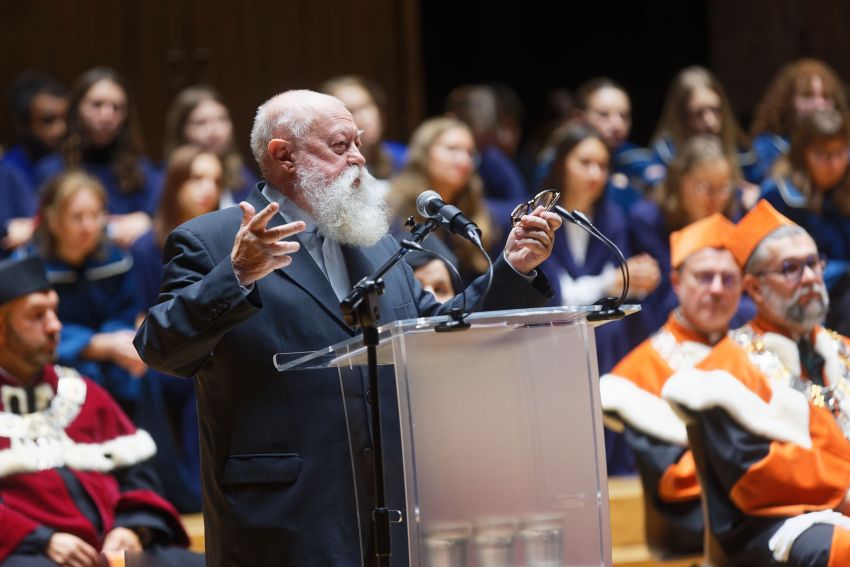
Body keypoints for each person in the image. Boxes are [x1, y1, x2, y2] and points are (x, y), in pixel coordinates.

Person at [134, 89, 561, 566]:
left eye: (358, 142)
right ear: (283, 156)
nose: (360, 158)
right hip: (283, 519)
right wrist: (234, 275)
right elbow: (160, 348)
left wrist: (513, 270)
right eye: (341, 146)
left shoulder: (374, 239)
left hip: (388, 505)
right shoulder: (210, 242)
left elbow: (431, 331)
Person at [662, 200, 850, 566]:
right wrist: (843, 487)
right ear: (755, 288)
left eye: (813, 263)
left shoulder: (842, 350)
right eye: (790, 268)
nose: (810, 277)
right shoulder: (724, 370)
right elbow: (751, 474)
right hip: (774, 522)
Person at [0, 255, 202, 567]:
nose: (55, 325)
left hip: (110, 553)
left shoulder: (81, 392)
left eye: (54, 310)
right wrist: (39, 539)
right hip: (28, 554)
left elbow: (138, 476)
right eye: (37, 315)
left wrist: (133, 527)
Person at [600, 213, 742, 556]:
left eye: (728, 278)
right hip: (683, 540)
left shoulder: (758, 357)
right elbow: (669, 485)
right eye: (704, 277)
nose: (717, 289)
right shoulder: (638, 371)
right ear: (676, 282)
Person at [130, 144, 223, 512]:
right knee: (161, 377)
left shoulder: (227, 239)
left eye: (215, 180)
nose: (208, 189)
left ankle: (205, 494)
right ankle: (176, 494)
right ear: (174, 185)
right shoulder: (146, 246)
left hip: (213, 346)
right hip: (165, 347)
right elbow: (141, 316)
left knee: (209, 374)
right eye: (197, 178)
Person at [22, 171, 145, 414]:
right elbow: (30, 331)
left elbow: (124, 313)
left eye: (95, 216)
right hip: (54, 362)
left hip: (111, 359)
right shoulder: (28, 268)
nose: (88, 226)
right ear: (54, 219)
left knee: (137, 368)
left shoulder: (115, 261)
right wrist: (95, 344)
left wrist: (119, 342)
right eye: (77, 217)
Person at [630, 134, 744, 335]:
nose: (715, 199)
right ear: (680, 181)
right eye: (704, 187)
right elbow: (662, 302)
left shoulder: (731, 217)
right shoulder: (648, 219)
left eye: (723, 187)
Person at [36, 67, 162, 248]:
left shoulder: (142, 169)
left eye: (117, 108)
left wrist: (148, 220)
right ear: (76, 109)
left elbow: (161, 218)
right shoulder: (52, 169)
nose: (107, 115)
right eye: (97, 105)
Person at [759, 108, 850, 335]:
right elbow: (765, 264)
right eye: (823, 154)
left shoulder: (844, 188)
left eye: (840, 152)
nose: (834, 163)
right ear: (802, 154)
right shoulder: (778, 195)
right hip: (797, 295)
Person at [390, 116, 501, 280]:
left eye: (470, 153)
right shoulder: (393, 210)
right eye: (452, 149)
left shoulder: (478, 214)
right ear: (424, 153)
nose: (464, 160)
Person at [650, 66, 763, 186]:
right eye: (698, 114)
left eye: (716, 110)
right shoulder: (666, 155)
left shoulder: (742, 152)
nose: (711, 122)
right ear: (681, 118)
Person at [0, 71, 68, 255]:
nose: (60, 129)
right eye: (48, 121)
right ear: (23, 124)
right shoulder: (6, 172)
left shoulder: (66, 165)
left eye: (64, 119)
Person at [445, 83, 530, 227]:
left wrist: (475, 209)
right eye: (454, 149)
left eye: (486, 139)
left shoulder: (491, 158)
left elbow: (523, 207)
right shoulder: (434, 156)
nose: (464, 159)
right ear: (450, 119)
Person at [163, 85, 258, 207]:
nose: (215, 131)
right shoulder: (165, 180)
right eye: (201, 122)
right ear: (182, 130)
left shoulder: (242, 176)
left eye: (222, 119)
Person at [751, 58, 850, 174]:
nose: (819, 105)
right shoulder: (768, 146)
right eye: (807, 96)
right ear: (788, 103)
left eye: (826, 97)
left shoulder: (846, 147)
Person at [574, 77, 653, 207]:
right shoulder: (558, 164)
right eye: (604, 114)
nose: (618, 125)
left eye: (624, 115)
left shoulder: (639, 160)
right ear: (579, 118)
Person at [319, 75, 408, 177]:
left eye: (367, 106)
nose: (365, 117)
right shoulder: (326, 169)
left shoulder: (402, 157)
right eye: (350, 110)